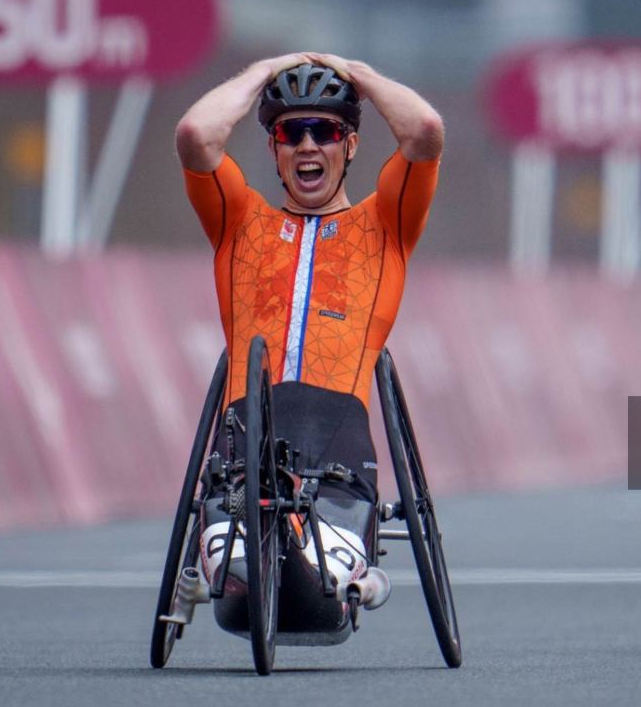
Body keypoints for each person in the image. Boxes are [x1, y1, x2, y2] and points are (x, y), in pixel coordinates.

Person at [176, 53, 443, 616]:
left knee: (320, 579)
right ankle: (235, 565)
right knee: (243, 565)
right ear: (274, 148)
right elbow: (197, 136)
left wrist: (360, 74)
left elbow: (424, 132)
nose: (306, 145)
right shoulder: (239, 222)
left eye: (324, 130)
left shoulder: (385, 225)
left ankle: (339, 575)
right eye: (290, 132)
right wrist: (260, 71)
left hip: (338, 441)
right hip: (244, 436)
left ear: (349, 145)